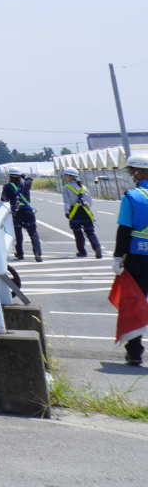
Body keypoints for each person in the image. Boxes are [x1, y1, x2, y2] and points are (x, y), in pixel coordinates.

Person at [112, 150, 148, 367]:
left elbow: (124, 229)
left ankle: (134, 352)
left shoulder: (132, 197)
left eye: (132, 172)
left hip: (138, 257)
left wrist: (118, 257)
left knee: (135, 302)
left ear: (138, 173)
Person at [62, 168, 103, 259]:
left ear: (71, 177)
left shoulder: (66, 188)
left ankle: (82, 251)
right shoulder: (84, 188)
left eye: (65, 175)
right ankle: (97, 247)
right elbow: (90, 202)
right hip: (86, 212)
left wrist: (66, 212)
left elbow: (66, 202)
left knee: (78, 233)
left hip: (74, 212)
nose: (64, 177)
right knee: (90, 232)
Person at [2, 170, 42, 262]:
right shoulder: (25, 185)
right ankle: (37, 253)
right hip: (28, 211)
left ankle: (20, 254)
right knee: (33, 233)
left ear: (10, 177)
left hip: (17, 213)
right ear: (20, 176)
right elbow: (29, 179)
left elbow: (4, 200)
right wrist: (23, 175)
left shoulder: (7, 187)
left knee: (18, 234)